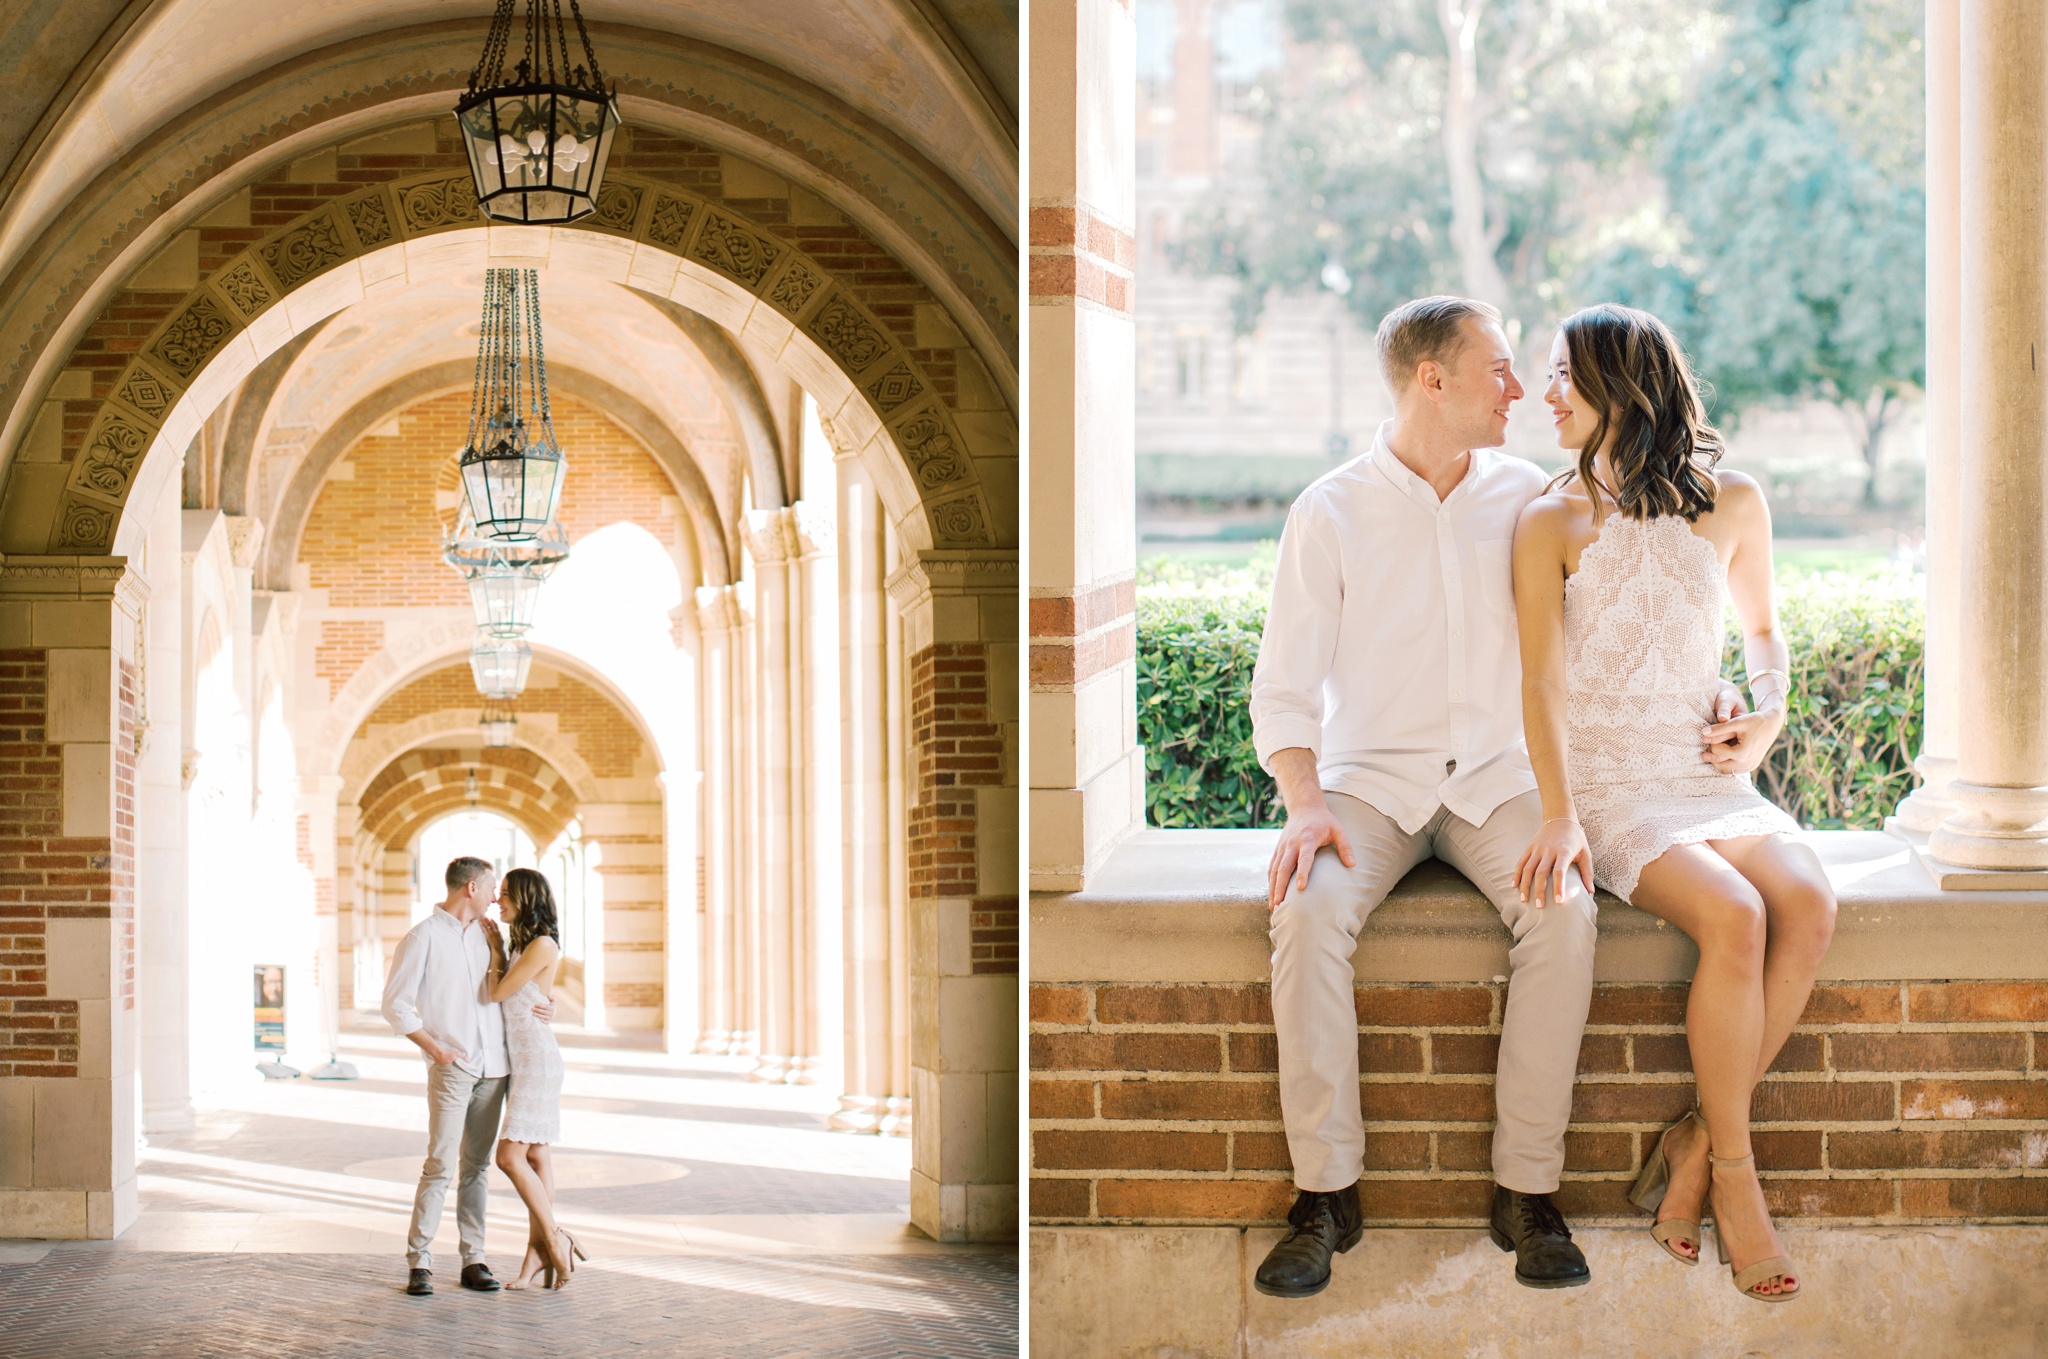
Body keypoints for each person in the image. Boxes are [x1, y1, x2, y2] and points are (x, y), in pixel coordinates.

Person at [1248, 295, 1750, 1298]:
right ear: (1432, 381)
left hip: (1497, 781)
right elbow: (1283, 685)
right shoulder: (1329, 508)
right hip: (1367, 785)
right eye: (1498, 371)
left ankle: (1525, 1193)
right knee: (1304, 913)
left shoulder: (1531, 494)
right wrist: (1304, 803)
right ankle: (1324, 1195)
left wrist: (1713, 687)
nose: (1521, 390)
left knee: (1561, 912)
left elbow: (1629, 620)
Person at [1512, 303, 1837, 1303]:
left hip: (1704, 773)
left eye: (1564, 373)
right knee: (1735, 917)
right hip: (1609, 786)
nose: (1545, 393)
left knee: (1809, 902)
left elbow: (1764, 631)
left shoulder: (1731, 500)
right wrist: (1559, 812)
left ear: (1622, 380)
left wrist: (1768, 719)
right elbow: (1540, 684)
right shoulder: (1547, 517)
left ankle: (1698, 1135)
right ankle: (1732, 1181)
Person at [381, 856, 554, 1298]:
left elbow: (524, 986)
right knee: (439, 1164)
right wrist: (435, 1048)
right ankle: (420, 1261)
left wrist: (545, 1006)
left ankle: (473, 1258)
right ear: (471, 888)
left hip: (496, 1068)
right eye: (492, 887)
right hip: (452, 1067)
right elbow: (395, 1005)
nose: (498, 896)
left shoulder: (492, 936)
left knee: (476, 1168)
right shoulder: (422, 938)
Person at [484, 867, 579, 1290]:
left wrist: (494, 955)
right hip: (525, 1060)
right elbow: (536, 996)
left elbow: (498, 994)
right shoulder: (524, 943)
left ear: (526, 898)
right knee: (537, 1157)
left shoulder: (541, 943)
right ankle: (537, 1254)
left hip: (538, 1062)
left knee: (508, 1157)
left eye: (505, 894)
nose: (497, 901)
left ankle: (556, 1240)